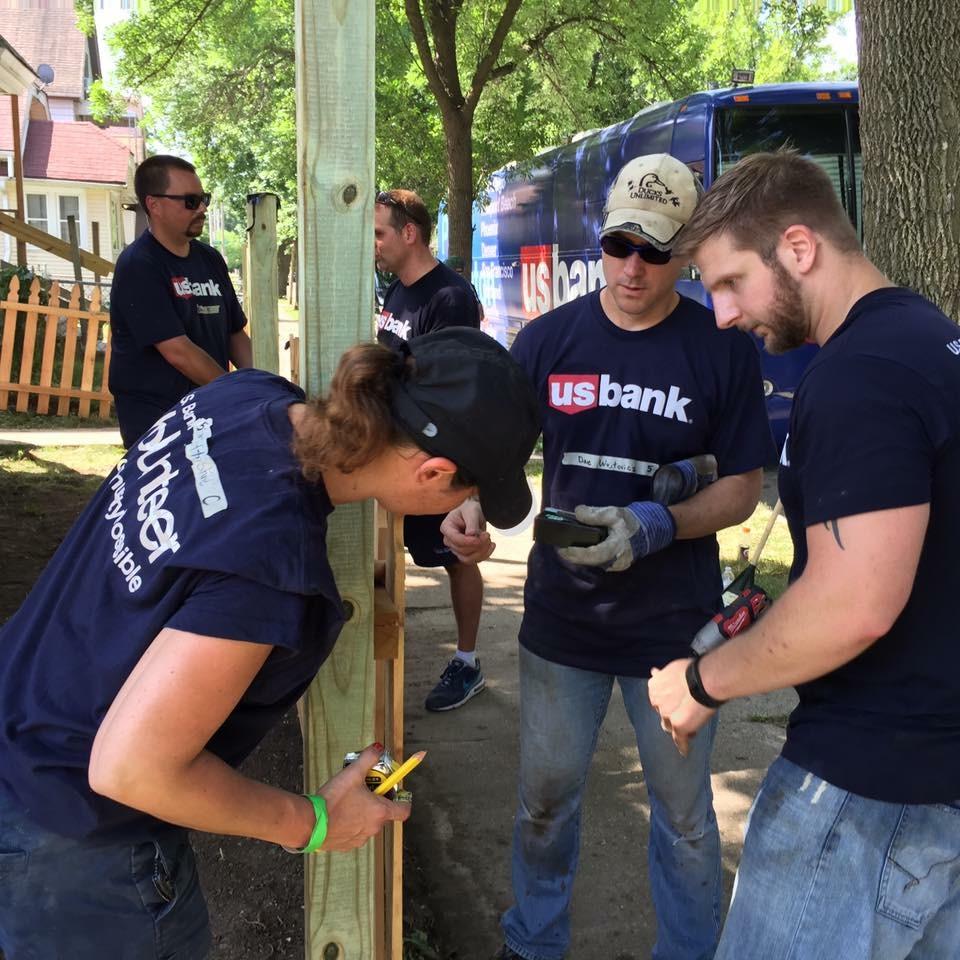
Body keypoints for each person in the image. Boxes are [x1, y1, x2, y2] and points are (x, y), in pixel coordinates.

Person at [0, 327, 539, 958]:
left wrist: (433, 509)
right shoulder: (269, 560)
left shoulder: (242, 397)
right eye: (467, 489)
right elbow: (132, 768)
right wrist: (314, 823)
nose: (468, 499)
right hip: (72, 845)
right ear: (433, 470)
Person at [444, 153, 775, 960]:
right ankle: (533, 943)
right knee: (544, 804)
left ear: (687, 251)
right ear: (602, 238)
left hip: (674, 631)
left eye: (655, 251)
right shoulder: (551, 340)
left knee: (688, 820)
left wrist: (655, 527)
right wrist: (467, 506)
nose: (633, 267)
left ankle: (691, 952)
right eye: (620, 244)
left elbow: (741, 489)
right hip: (564, 625)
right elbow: (494, 454)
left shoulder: (720, 350)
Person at [647, 150, 960, 959]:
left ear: (798, 247)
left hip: (866, 791)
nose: (719, 314)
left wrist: (701, 682)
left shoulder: (858, 376)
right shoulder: (934, 344)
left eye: (727, 283)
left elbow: (854, 605)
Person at [374, 189, 488, 711]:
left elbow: (456, 386)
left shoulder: (450, 297)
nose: (374, 245)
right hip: (396, 452)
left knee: (457, 557)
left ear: (409, 233)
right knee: (384, 555)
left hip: (437, 460)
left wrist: (460, 481)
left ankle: (467, 662)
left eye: (379, 233)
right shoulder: (398, 290)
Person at [109, 155, 253, 448]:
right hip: (159, 427)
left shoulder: (210, 259)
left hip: (208, 412)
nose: (201, 208)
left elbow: (235, 334)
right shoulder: (139, 265)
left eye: (203, 199)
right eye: (190, 201)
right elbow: (178, 351)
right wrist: (235, 394)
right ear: (154, 205)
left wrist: (263, 384)